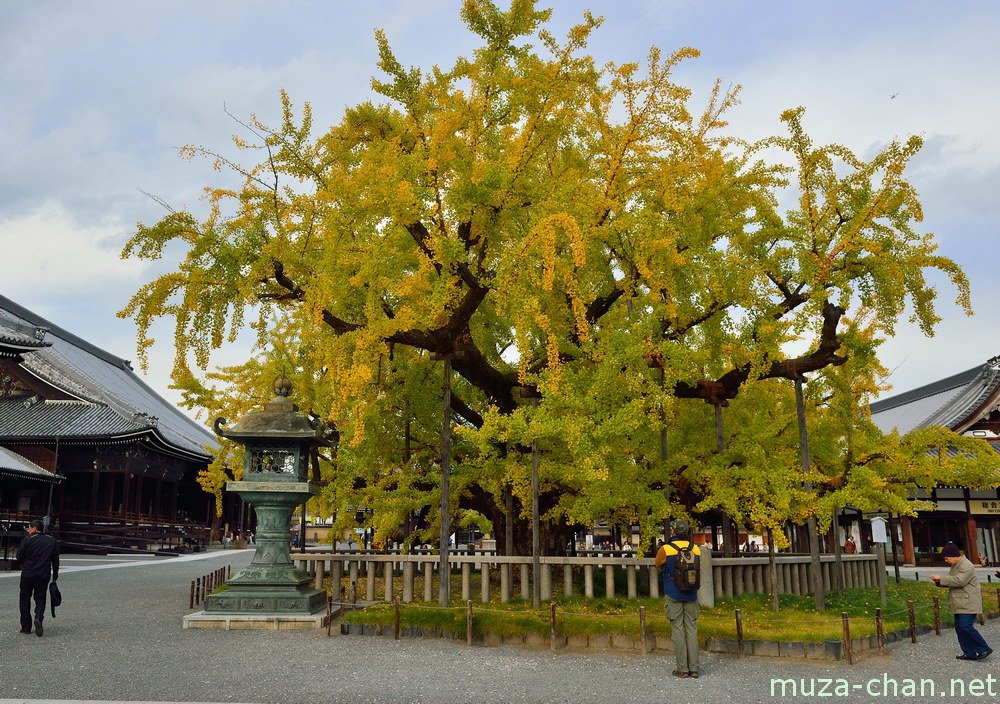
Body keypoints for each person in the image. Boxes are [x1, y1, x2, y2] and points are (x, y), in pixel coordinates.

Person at [655, 519, 702, 678]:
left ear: (673, 532)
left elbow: (658, 564)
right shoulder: (695, 548)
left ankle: (682, 669)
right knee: (691, 628)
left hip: (673, 592)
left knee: (678, 629)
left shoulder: (666, 549)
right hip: (691, 593)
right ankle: (694, 668)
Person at [931, 543, 992, 661]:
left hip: (968, 602)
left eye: (946, 558)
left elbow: (959, 581)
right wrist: (939, 582)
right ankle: (969, 652)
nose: (946, 560)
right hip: (960, 602)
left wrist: (941, 578)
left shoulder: (966, 565)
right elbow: (951, 581)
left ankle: (984, 648)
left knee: (966, 626)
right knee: (959, 627)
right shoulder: (955, 566)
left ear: (954, 555)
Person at [16, 519, 59, 637]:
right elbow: (55, 560)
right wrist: (55, 575)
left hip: (28, 574)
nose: (28, 530)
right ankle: (38, 617)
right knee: (40, 598)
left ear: (34, 528)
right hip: (43, 575)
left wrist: (25, 564)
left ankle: (26, 627)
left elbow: (19, 556)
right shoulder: (51, 540)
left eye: (29, 528)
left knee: (24, 599)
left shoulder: (28, 540)